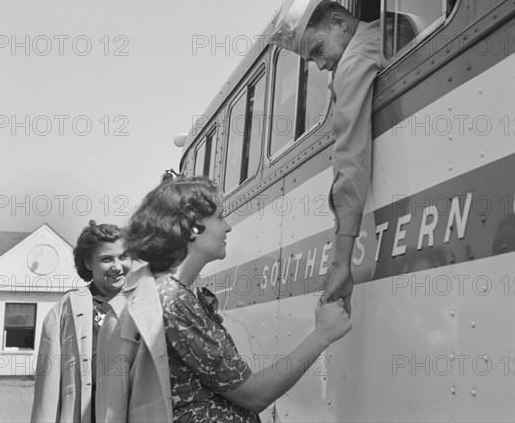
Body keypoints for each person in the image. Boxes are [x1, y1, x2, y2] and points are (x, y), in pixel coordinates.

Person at [96, 175, 351, 423]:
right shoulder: (174, 301)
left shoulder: (168, 292)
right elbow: (255, 395)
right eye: (220, 217)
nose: (228, 226)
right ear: (193, 227)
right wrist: (322, 335)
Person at [268, 0, 384, 313]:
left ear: (338, 22)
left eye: (318, 50)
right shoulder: (391, 26)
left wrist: (341, 264)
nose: (320, 65)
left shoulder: (353, 61)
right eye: (312, 60)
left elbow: (350, 160)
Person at [31, 221, 132, 423]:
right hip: (84, 413)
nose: (117, 267)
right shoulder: (66, 309)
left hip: (131, 411)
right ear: (88, 263)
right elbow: (48, 387)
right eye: (106, 259)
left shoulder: (143, 303)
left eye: (123, 257)